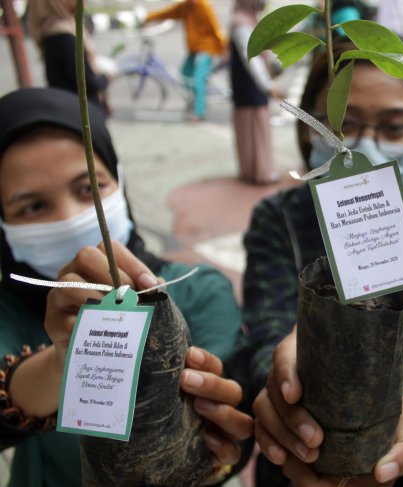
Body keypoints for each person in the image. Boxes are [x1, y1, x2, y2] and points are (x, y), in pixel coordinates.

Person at [238, 38, 403, 485]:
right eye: (341, 125)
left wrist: (393, 413)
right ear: (308, 128)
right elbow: (267, 334)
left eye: (396, 128)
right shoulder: (279, 220)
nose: (363, 148)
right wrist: (285, 384)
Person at [0, 87, 252, 486]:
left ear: (120, 183)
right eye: (33, 206)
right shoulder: (8, 309)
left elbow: (233, 420)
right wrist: (67, 360)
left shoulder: (197, 290)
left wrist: (216, 456)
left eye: (88, 188)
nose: (70, 218)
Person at [144, 0, 227, 122]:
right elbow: (167, 13)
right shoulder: (185, 7)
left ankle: (199, 112)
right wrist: (148, 18)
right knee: (185, 74)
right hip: (194, 49)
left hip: (206, 48)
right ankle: (197, 98)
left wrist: (223, 49)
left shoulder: (203, 6)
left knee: (198, 79)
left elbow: (216, 28)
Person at [26, 0, 111, 112]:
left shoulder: (53, 29)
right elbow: (84, 82)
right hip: (77, 110)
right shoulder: (62, 35)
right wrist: (105, 78)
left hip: (67, 106)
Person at [229, 0, 280, 185]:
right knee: (256, 126)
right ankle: (261, 171)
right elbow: (250, 57)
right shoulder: (241, 23)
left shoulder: (247, 20)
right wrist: (267, 84)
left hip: (247, 84)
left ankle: (252, 170)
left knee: (251, 127)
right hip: (251, 84)